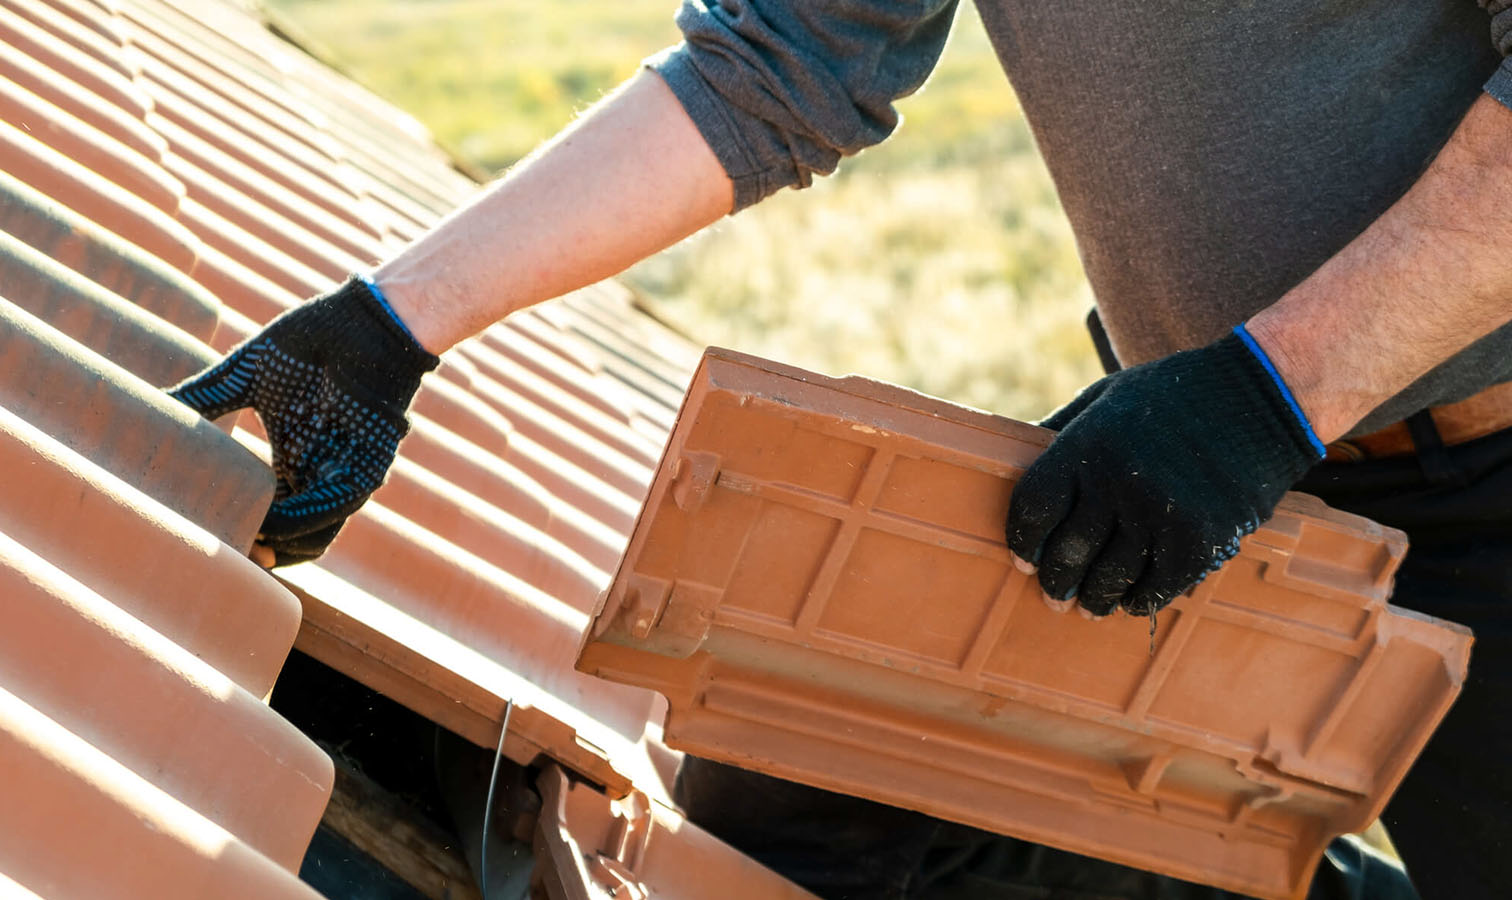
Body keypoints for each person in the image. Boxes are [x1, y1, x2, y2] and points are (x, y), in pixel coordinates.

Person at [170, 0, 1512, 895]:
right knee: (824, 789)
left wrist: (1268, 393)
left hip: (1408, 448)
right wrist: (388, 329)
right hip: (1214, 451)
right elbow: (780, 62)